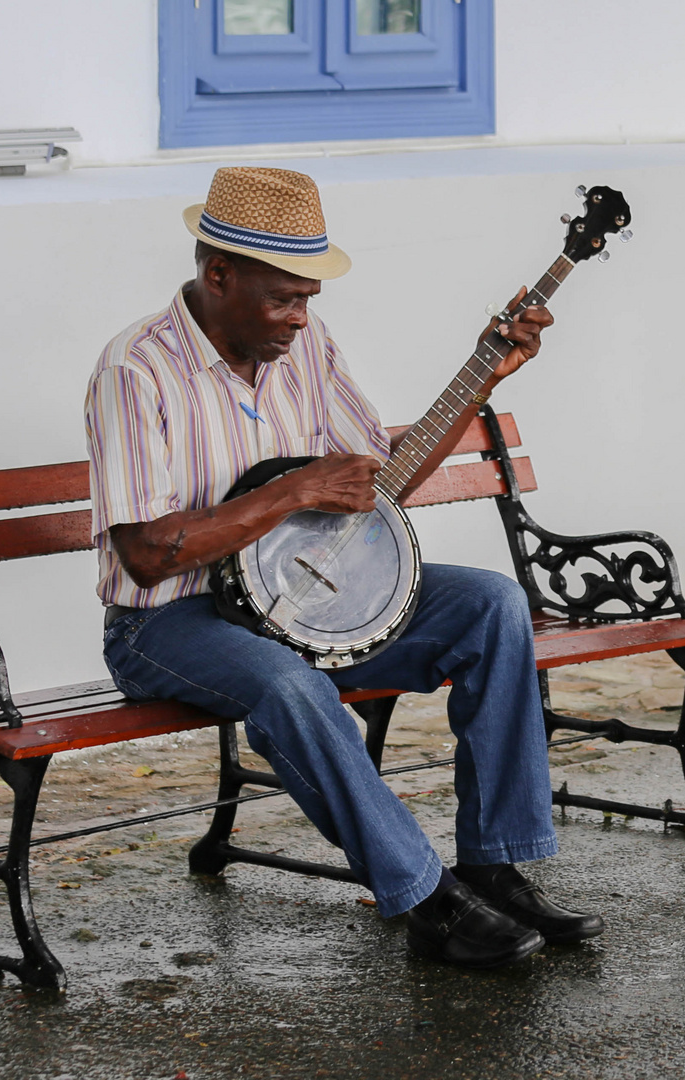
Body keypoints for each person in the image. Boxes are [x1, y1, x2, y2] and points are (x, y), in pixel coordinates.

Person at [84, 167, 604, 969]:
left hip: (308, 605)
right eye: (284, 297)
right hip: (171, 622)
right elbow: (147, 557)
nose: (299, 317)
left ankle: (493, 866)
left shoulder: (306, 347)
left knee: (491, 603)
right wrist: (292, 491)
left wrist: (482, 376)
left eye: (308, 299)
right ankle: (429, 902)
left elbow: (382, 485)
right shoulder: (136, 370)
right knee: (290, 684)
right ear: (217, 274)